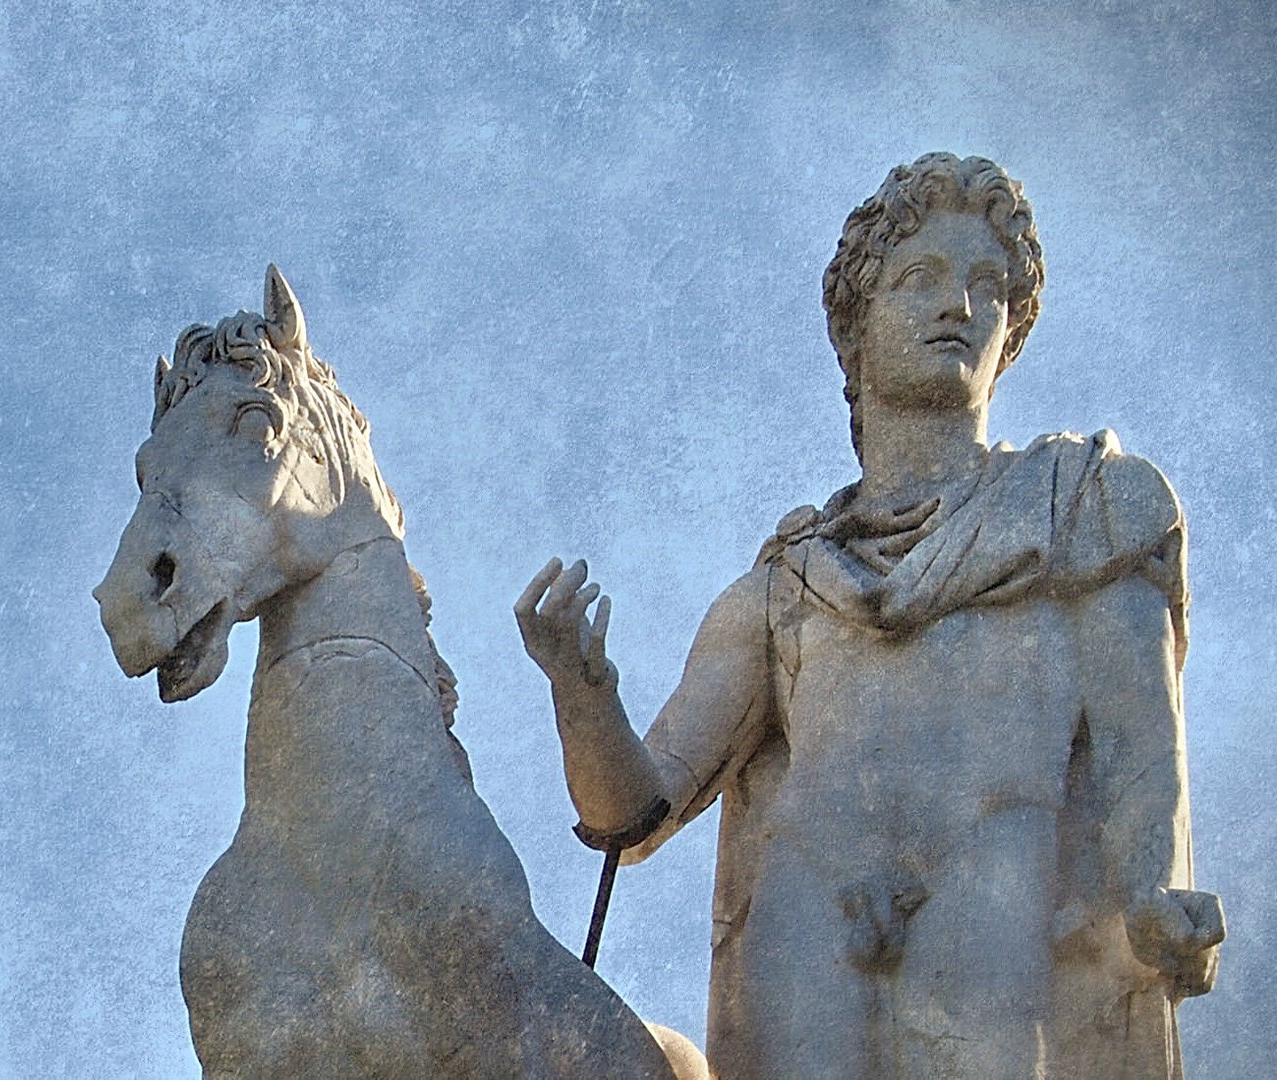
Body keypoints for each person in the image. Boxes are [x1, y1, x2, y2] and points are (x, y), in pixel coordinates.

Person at [516, 153, 1222, 1078]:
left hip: (999, 912)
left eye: (987, 285)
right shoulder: (784, 588)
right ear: (856, 325)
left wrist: (1151, 890)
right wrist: (581, 688)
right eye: (919, 279)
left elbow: (1141, 742)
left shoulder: (1084, 511)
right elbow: (631, 817)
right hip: (807, 929)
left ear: (1011, 328)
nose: (958, 306)